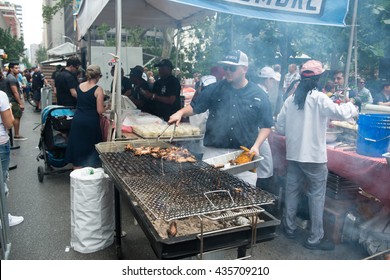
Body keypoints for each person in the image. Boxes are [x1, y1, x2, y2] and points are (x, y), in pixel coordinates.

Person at [275, 60, 358, 251]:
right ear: (319, 78)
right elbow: (340, 112)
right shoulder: (319, 98)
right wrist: (352, 107)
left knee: (292, 190)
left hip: (294, 154)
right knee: (316, 196)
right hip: (313, 158)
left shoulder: (291, 99)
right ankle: (314, 239)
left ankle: (289, 228)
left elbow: (279, 126)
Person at [169, 50, 273, 186]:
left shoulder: (259, 94)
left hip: (244, 155)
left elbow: (266, 125)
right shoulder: (214, 89)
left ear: (244, 69)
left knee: (243, 200)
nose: (227, 71)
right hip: (214, 153)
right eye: (225, 68)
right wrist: (180, 112)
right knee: (209, 195)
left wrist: (256, 146)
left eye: (232, 68)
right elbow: (196, 107)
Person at [65, 65, 106, 168]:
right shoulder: (98, 89)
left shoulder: (79, 86)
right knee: (89, 148)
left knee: (78, 147)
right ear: (97, 76)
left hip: (78, 119)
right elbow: (100, 110)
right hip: (90, 121)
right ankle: (88, 173)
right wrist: (108, 107)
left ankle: (77, 173)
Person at [0, 89, 24, 226]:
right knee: (1, 182)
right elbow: (9, 123)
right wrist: (8, 108)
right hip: (1, 143)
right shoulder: (1, 95)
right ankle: (4, 218)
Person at [255, 67, 279, 192]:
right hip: (259, 133)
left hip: (257, 131)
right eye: (272, 81)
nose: (273, 84)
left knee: (259, 165)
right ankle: (261, 194)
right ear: (268, 80)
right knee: (266, 167)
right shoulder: (261, 93)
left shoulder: (256, 90)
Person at [5, 62, 26, 140]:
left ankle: (13, 134)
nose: (18, 69)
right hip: (13, 101)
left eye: (18, 68)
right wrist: (20, 103)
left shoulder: (10, 77)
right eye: (16, 68)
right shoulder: (12, 78)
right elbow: (15, 92)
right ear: (11, 69)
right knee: (17, 116)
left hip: (10, 100)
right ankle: (16, 135)